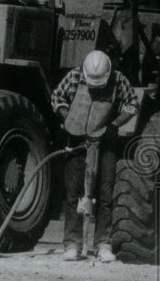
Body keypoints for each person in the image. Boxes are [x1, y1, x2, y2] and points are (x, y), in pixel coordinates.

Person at [51, 50, 139, 262]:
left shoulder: (118, 80)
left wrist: (115, 125)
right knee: (74, 194)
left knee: (105, 193)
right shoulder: (73, 76)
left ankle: (103, 244)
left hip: (105, 142)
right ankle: (72, 244)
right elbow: (56, 96)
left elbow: (133, 104)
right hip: (77, 141)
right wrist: (69, 118)